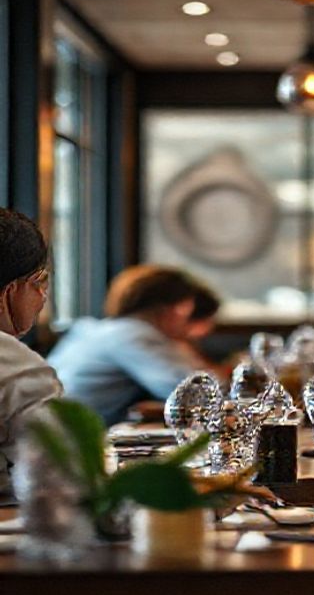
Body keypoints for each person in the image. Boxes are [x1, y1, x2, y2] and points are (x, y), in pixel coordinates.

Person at [48, 264, 221, 425]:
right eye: (186, 308)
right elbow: (196, 393)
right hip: (69, 442)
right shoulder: (135, 335)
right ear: (173, 309)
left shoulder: (99, 329)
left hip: (56, 432)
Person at [0, 208, 63, 492]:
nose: (43, 296)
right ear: (11, 290)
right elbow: (60, 478)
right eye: (40, 281)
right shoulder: (14, 365)